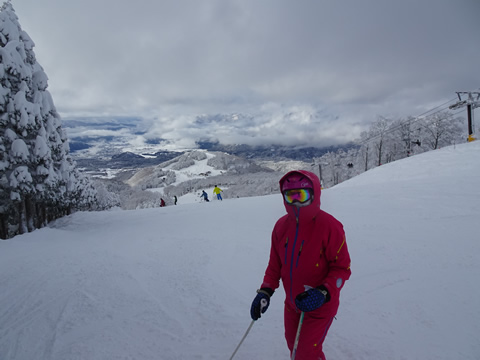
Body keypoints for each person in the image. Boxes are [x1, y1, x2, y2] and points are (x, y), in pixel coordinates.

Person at [250, 170, 351, 360]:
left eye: (302, 196)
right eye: (291, 196)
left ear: (314, 194)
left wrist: (323, 292)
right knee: (293, 346)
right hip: (292, 304)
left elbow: (342, 268)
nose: (296, 202)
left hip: (320, 306)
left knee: (305, 353)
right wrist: (265, 291)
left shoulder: (330, 226)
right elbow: (275, 265)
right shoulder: (281, 226)